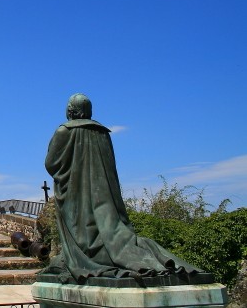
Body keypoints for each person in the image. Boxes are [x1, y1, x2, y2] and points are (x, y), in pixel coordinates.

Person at [42, 94, 204, 284]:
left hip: (75, 194)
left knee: (81, 230)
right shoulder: (102, 132)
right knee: (113, 232)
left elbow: (51, 163)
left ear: (70, 110)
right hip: (105, 195)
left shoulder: (64, 131)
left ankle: (86, 257)